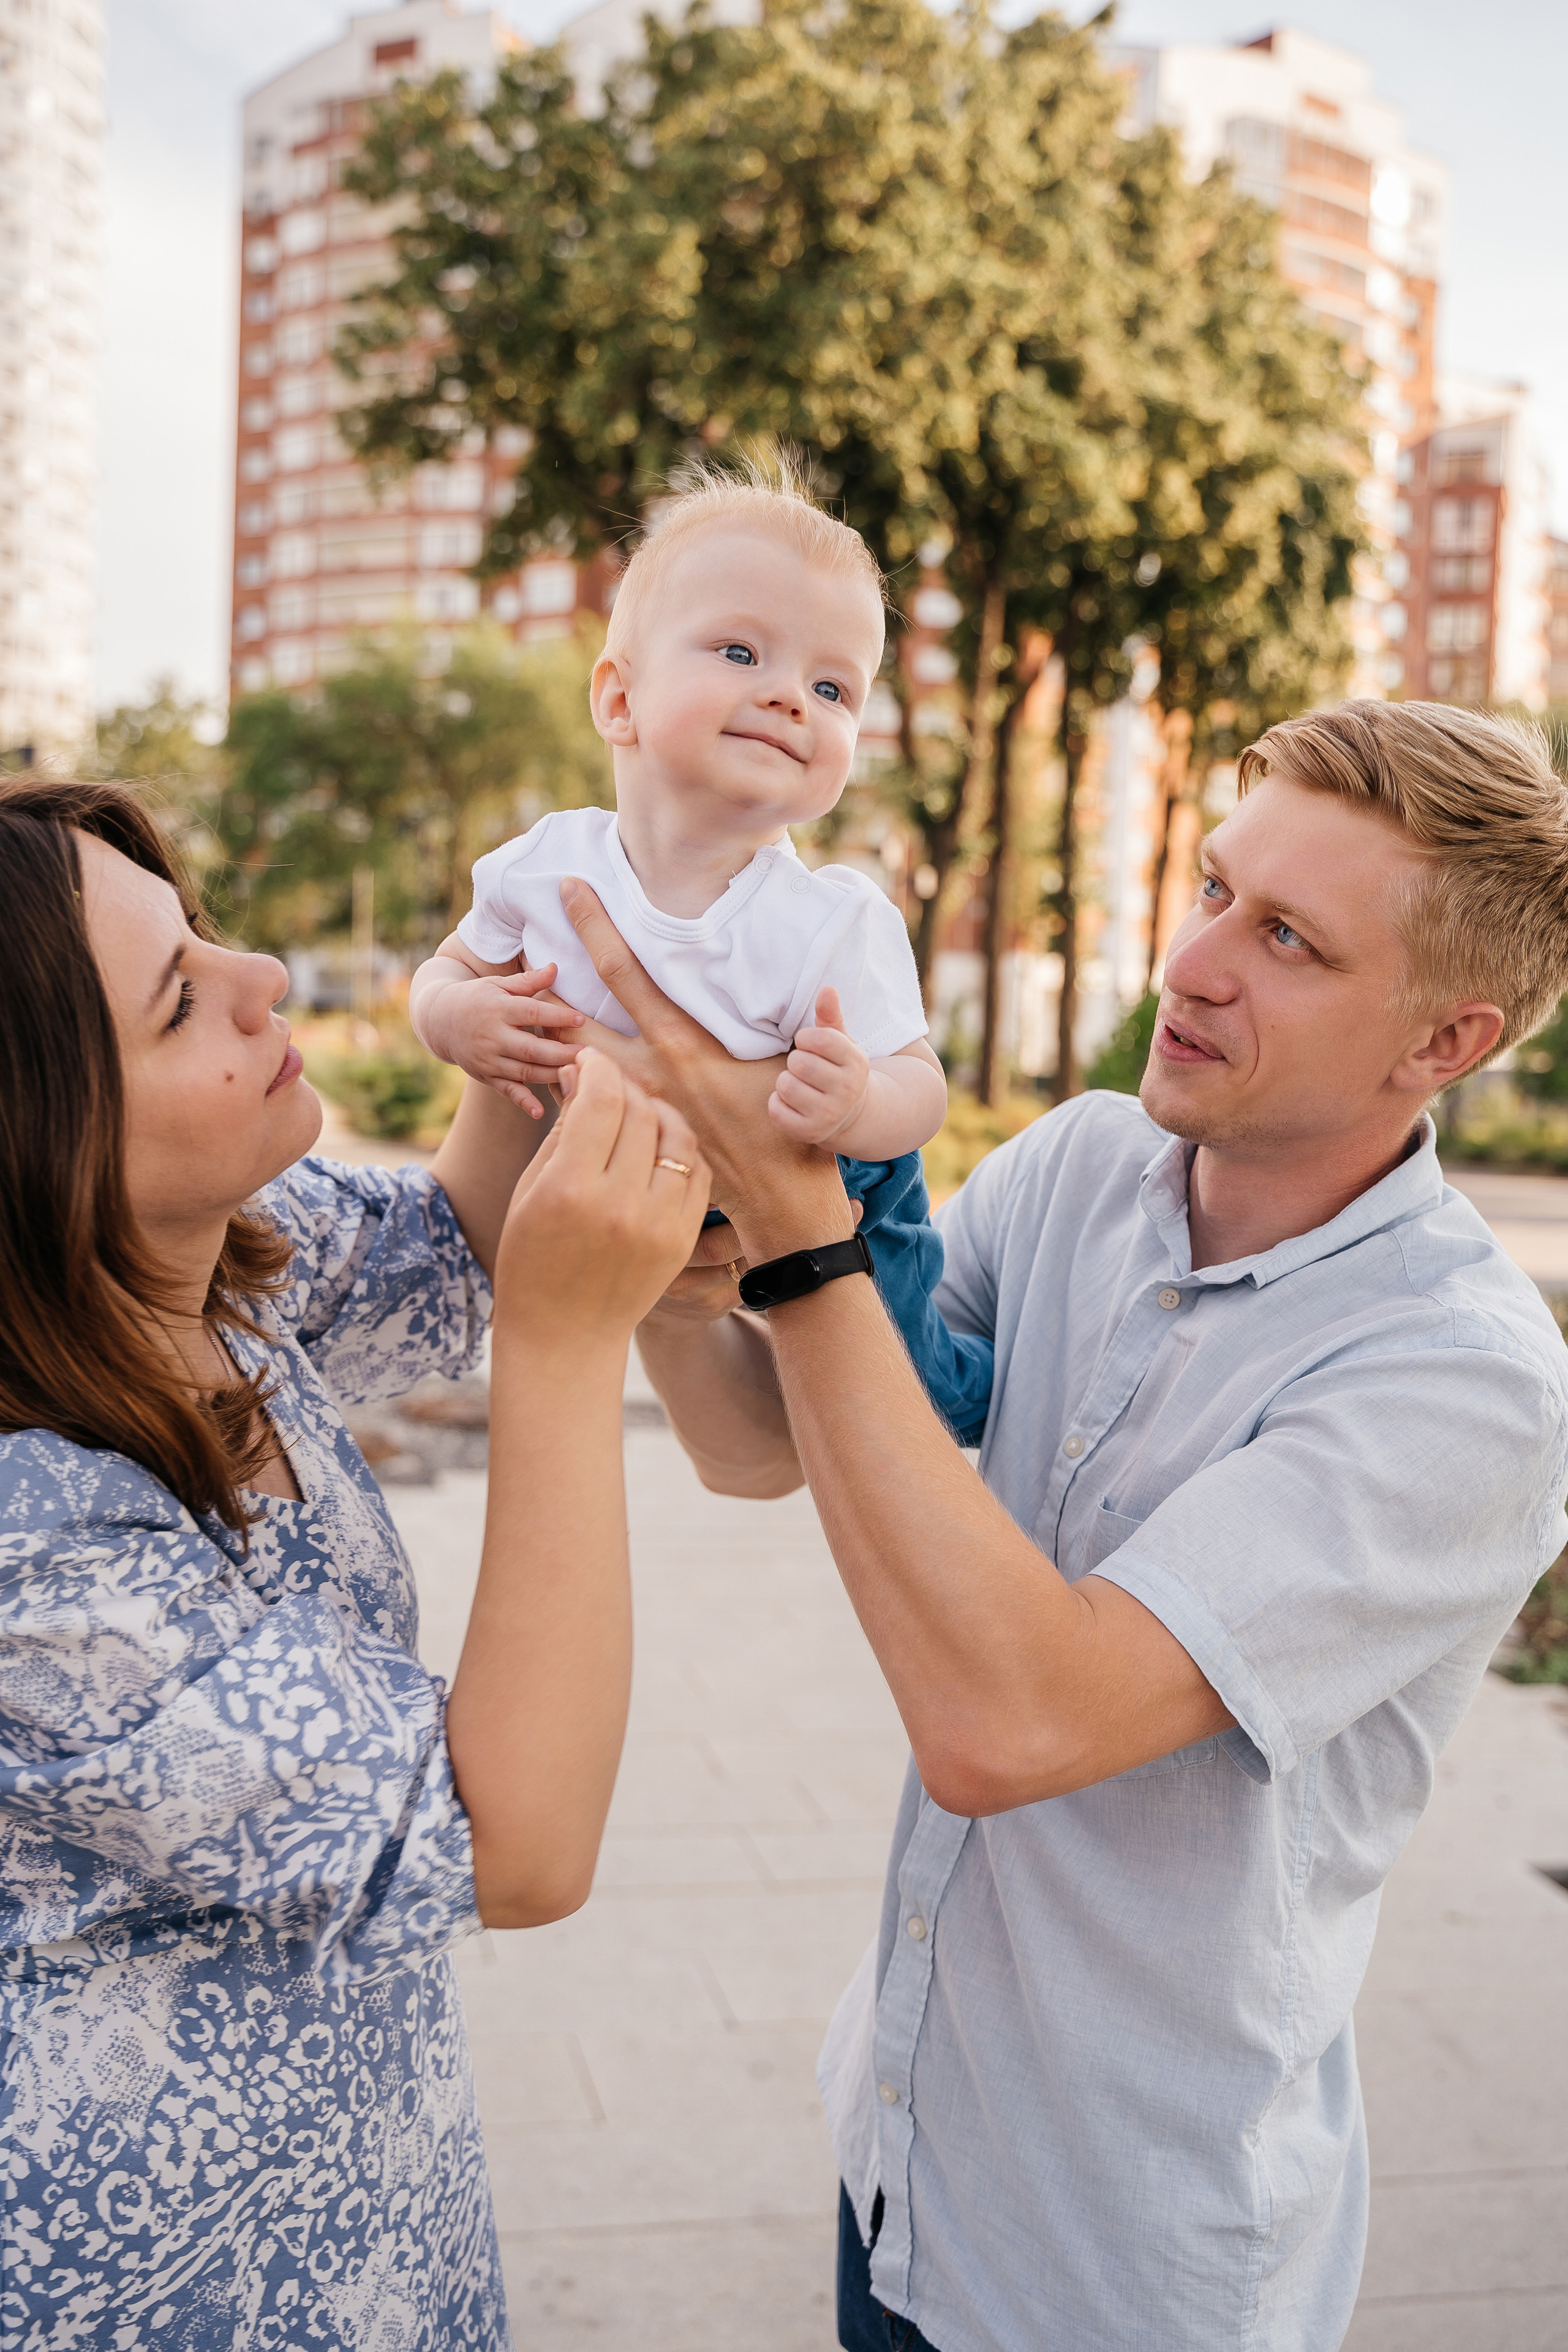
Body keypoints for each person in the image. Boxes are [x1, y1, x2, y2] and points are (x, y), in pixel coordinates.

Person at [548, 699, 1568, 2351]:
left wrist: (808, 1250)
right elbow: (765, 1446)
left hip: (1117, 2255)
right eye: (1220, 889)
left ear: (1444, 1043)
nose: (1195, 961)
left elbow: (1007, 1723)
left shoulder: (1462, 1378)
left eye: (1289, 940)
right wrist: (688, 1269)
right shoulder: (1086, 1164)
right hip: (898, 2145)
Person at [0, 777, 707, 2350]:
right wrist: (572, 1338)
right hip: (154, 2296)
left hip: (366, 2233)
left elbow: (451, 1244)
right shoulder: (29, 1542)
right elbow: (515, 1843)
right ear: (37, 1137)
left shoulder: (206, 1255)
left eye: (199, 932)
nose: (261, 979)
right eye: (182, 1000)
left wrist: (584, 911)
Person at [407, 467, 993, 1440]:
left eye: (832, 686)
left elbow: (920, 1089)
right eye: (740, 650)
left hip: (839, 1181)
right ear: (619, 701)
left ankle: (997, 1384)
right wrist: (455, 1017)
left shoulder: (830, 921)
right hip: (658, 1187)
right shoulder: (547, 864)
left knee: (912, 1395)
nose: (791, 698)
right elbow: (443, 974)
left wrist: (858, 1103)